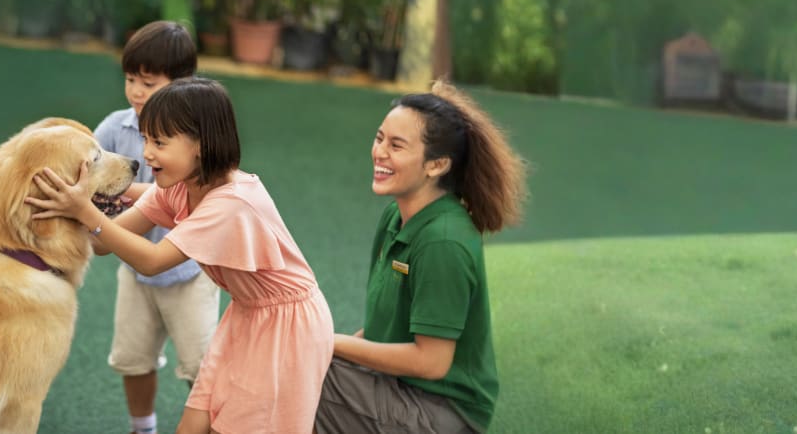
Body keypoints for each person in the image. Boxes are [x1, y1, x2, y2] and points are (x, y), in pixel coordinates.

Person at [29, 77, 334, 434]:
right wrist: (80, 203)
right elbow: (104, 243)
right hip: (248, 314)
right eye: (146, 139)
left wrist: (85, 210)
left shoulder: (229, 203)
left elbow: (152, 260)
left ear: (201, 146)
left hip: (288, 326)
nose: (146, 153)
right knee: (196, 422)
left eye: (159, 142)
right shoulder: (181, 187)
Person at [314, 81, 529, 434]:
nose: (380, 152)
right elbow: (384, 329)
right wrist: (326, 350)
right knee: (300, 366)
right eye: (380, 138)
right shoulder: (395, 217)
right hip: (399, 386)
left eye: (396, 145)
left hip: (443, 411)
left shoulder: (442, 241)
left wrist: (328, 344)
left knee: (303, 376)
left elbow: (432, 362)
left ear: (436, 165)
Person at [91, 20, 220, 434]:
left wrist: (119, 193)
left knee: (202, 370)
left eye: (148, 83)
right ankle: (142, 427)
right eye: (130, 79)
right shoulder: (115, 128)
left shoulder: (196, 136)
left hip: (190, 273)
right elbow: (88, 170)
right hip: (135, 273)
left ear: (183, 85)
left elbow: (181, 190)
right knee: (132, 359)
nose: (135, 91)